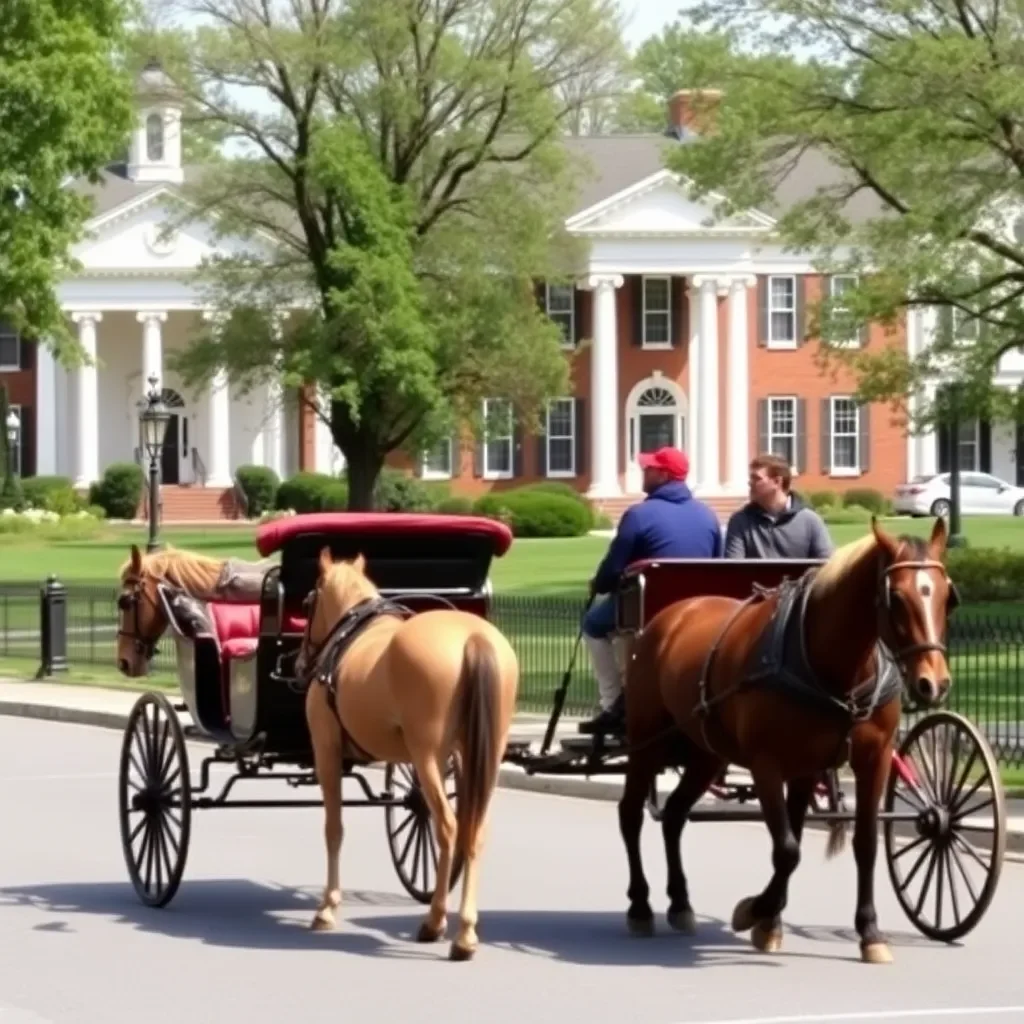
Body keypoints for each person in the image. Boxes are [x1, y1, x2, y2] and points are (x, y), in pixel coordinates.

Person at [578, 446, 723, 736]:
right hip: (702, 613)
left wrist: (601, 584)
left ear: (664, 475)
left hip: (650, 610)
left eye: (650, 468)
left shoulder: (639, 515)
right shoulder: (708, 516)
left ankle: (614, 702)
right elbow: (716, 564)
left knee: (593, 624)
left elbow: (613, 567)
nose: (644, 471)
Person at [723, 452, 834, 560]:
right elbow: (734, 570)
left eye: (756, 478)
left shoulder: (810, 521)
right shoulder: (741, 521)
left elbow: (826, 567)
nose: (750, 483)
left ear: (777, 482)